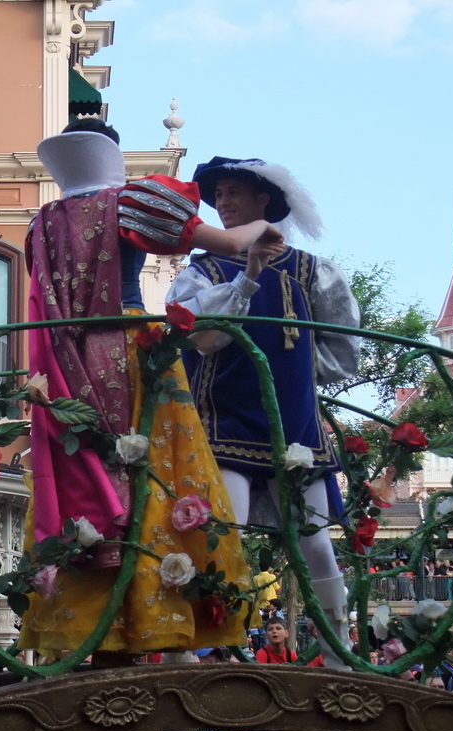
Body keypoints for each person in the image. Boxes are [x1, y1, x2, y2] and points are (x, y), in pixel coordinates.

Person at [20, 120, 283, 658]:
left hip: (67, 367)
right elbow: (230, 241)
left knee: (90, 474)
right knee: (159, 469)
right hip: (132, 355)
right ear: (109, 155)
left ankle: (98, 623)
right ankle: (157, 617)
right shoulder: (129, 200)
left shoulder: (41, 224)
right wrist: (263, 230)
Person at [166, 156, 361, 668]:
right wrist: (247, 277)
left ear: (264, 203)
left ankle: (339, 660)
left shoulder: (310, 270)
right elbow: (198, 335)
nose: (223, 203)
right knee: (217, 537)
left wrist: (298, 373)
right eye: (220, 195)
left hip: (292, 428)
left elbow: (341, 351)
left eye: (233, 193)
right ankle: (194, 655)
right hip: (223, 423)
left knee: (316, 544)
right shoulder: (202, 271)